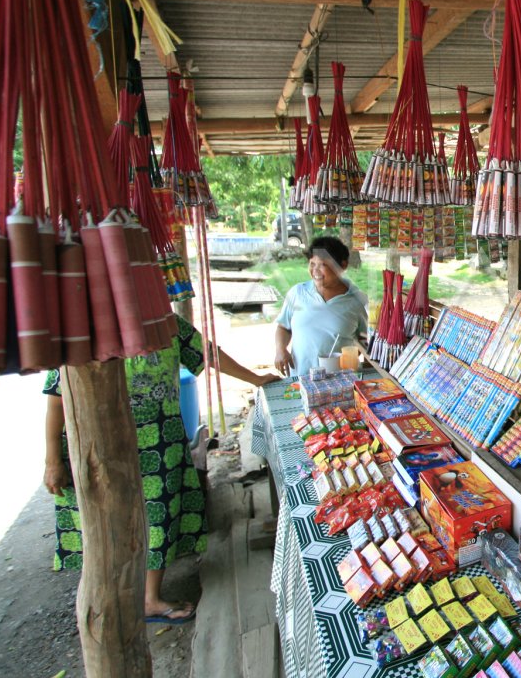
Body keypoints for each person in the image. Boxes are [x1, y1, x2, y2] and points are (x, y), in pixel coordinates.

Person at [43, 316, 278, 624]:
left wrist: (256, 379)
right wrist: (52, 461)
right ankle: (108, 596)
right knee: (104, 517)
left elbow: (207, 353)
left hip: (159, 441)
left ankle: (149, 599)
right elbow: (57, 399)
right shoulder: (81, 324)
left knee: (159, 515)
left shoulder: (164, 321)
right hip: (100, 444)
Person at [274, 236, 369, 377]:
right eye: (312, 264)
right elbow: (283, 327)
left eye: (323, 265)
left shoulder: (356, 301)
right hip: (300, 379)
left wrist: (350, 357)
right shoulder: (297, 293)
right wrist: (280, 349)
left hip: (339, 383)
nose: (315, 271)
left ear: (342, 266)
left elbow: (364, 339)